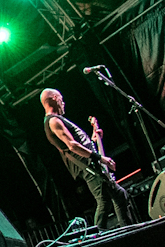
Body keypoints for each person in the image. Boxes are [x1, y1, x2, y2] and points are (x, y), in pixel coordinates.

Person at [40, 89, 132, 229]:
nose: (63, 102)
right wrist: (100, 158)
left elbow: (79, 144)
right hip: (89, 167)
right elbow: (72, 146)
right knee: (106, 201)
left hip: (90, 164)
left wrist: (94, 138)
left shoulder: (57, 120)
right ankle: (100, 237)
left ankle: (126, 230)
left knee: (118, 196)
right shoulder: (53, 121)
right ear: (54, 98)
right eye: (61, 98)